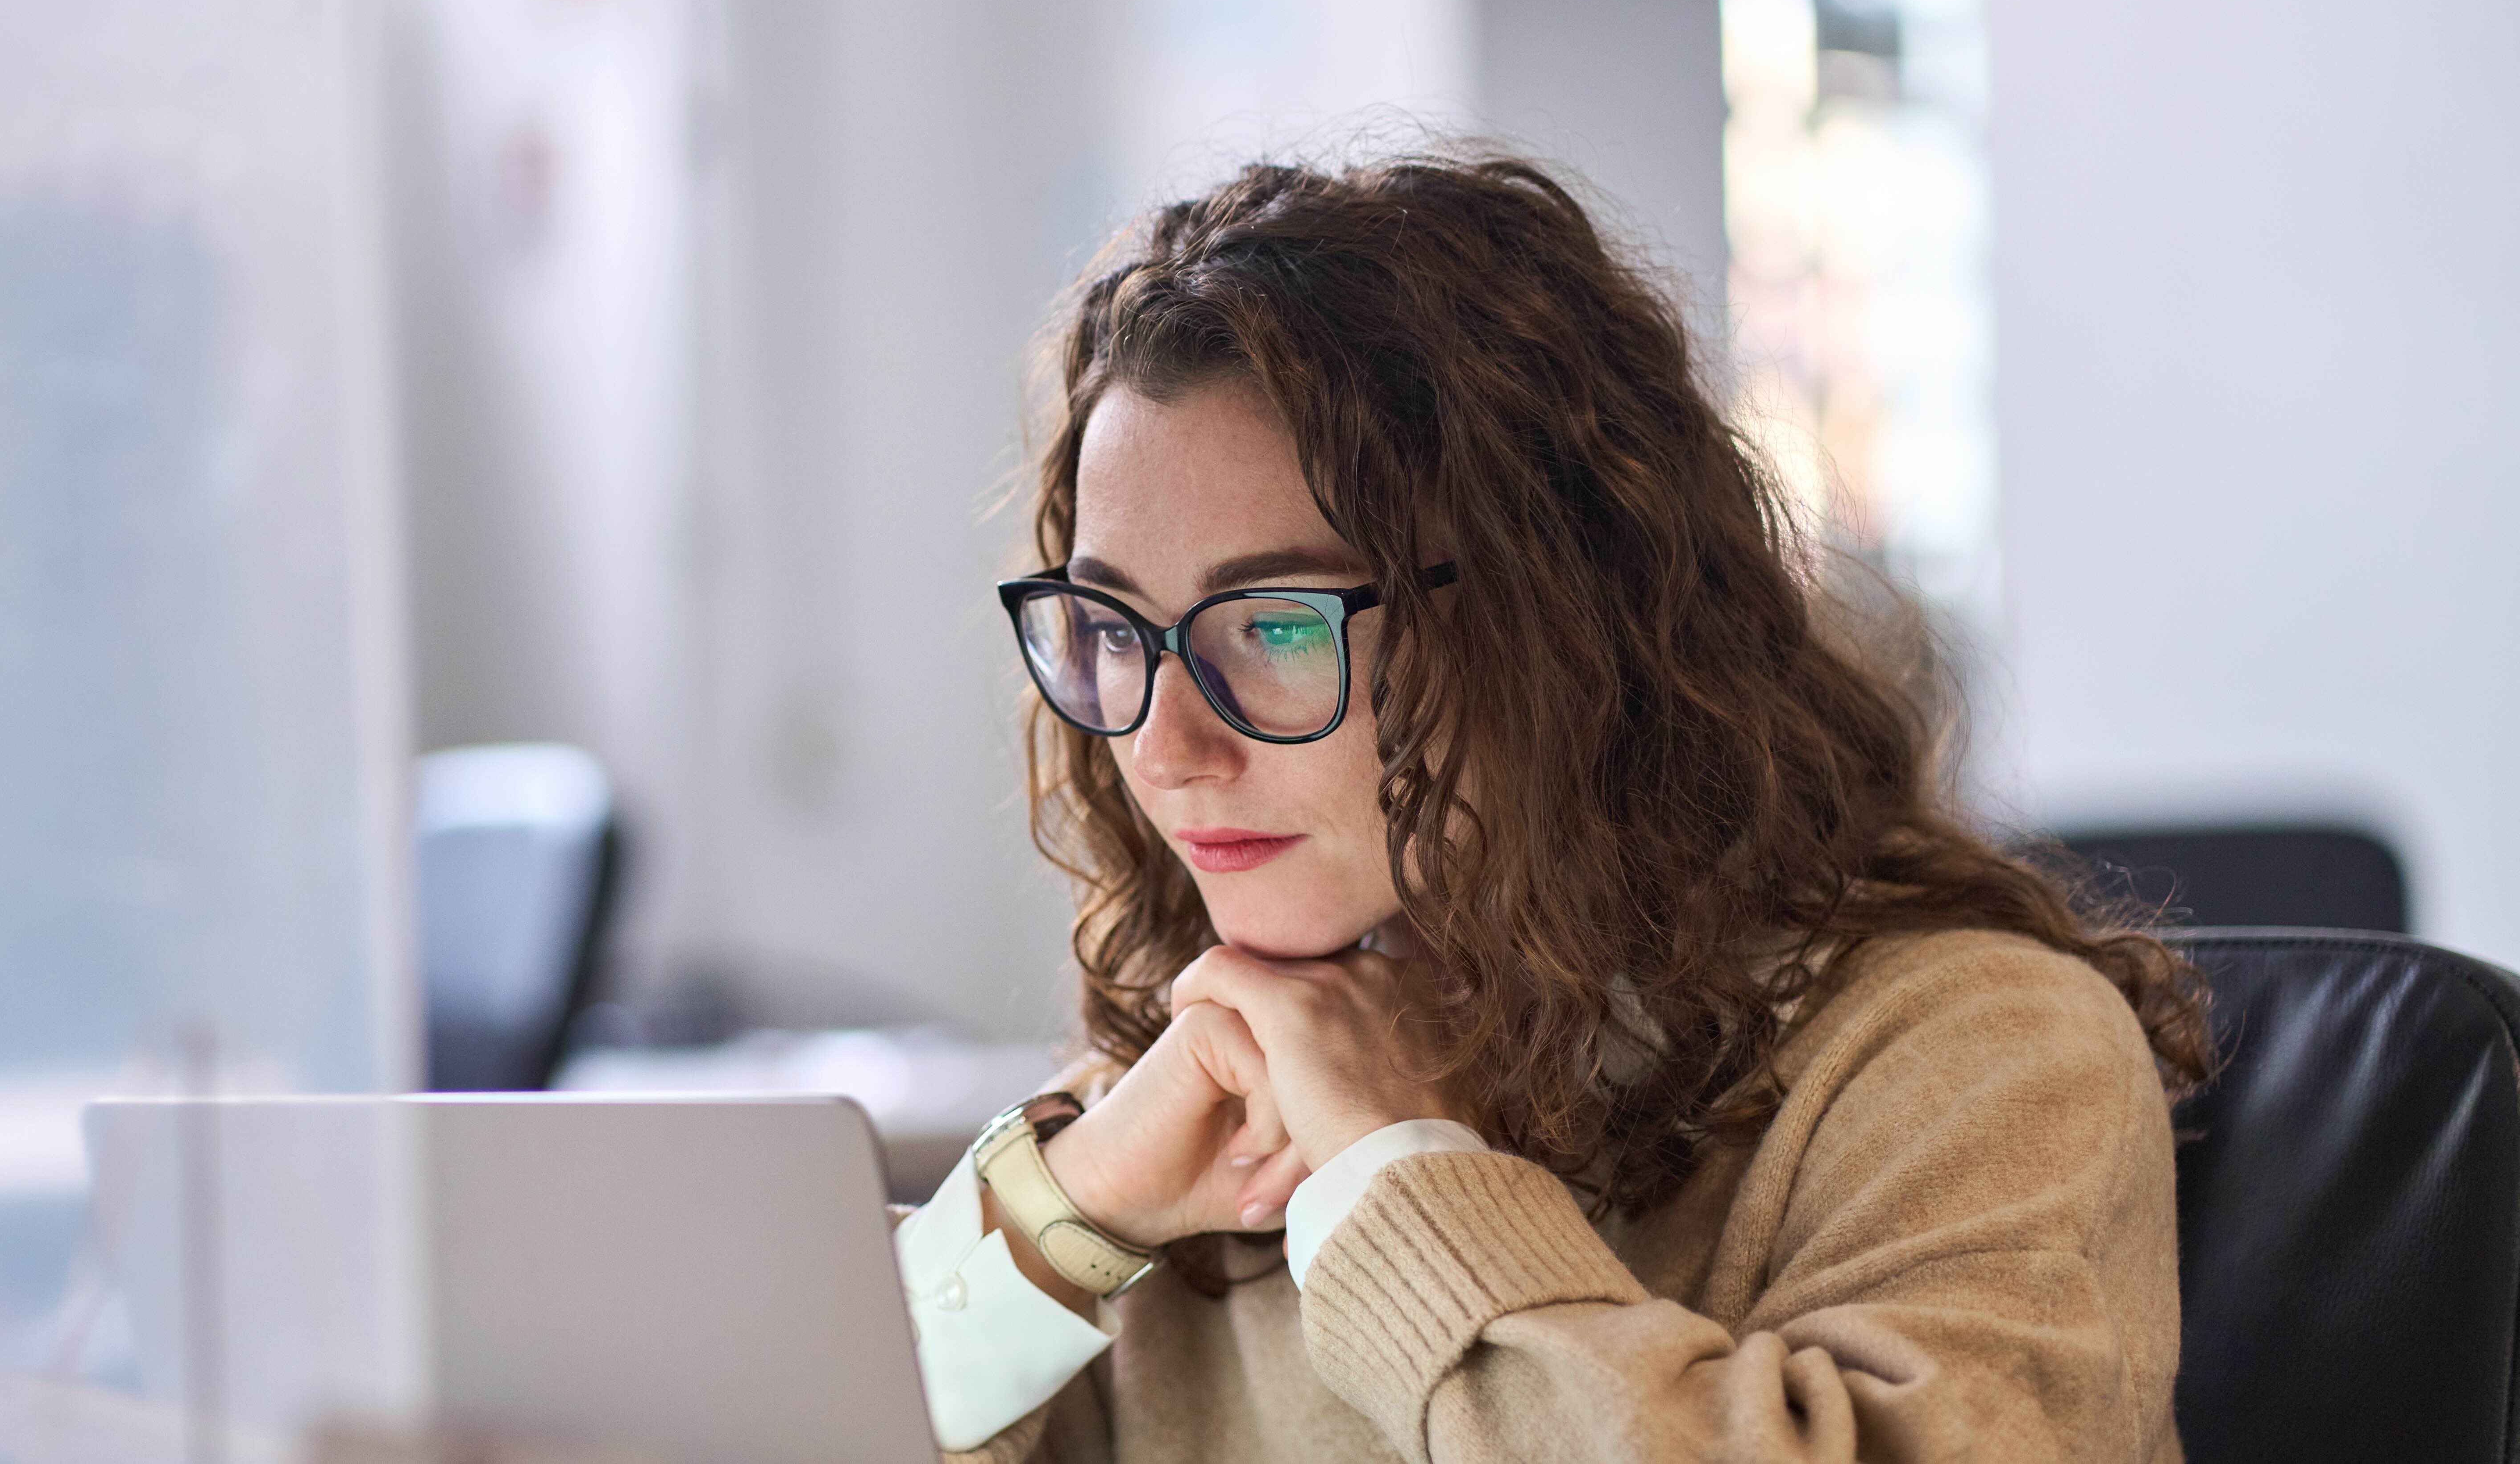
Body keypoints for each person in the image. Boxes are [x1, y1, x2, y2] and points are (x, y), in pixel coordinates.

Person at [888, 148, 2211, 1463]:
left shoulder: (1985, 1058)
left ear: (1563, 628)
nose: (1167, 749)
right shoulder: (1205, 1074)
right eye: (1114, 630)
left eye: (1277, 626)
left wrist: (1394, 1171)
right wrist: (1070, 1215)